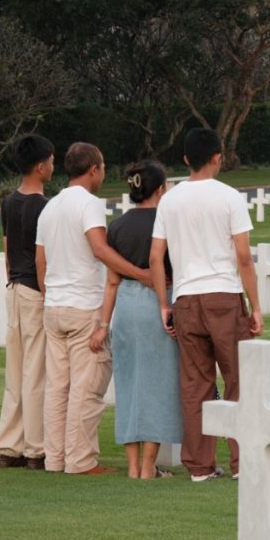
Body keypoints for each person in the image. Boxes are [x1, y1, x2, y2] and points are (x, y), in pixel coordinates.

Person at [150, 128, 263, 483]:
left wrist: (163, 304)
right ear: (219, 156)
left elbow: (156, 256)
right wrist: (255, 305)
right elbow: (243, 256)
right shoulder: (229, 196)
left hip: (185, 298)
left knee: (195, 383)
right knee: (238, 379)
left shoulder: (169, 199)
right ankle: (244, 461)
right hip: (223, 297)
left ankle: (199, 466)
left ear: (185, 159)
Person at [35, 142, 152, 475]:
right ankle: (81, 460)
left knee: (58, 388)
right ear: (93, 170)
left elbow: (40, 261)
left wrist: (51, 295)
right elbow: (100, 250)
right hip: (84, 304)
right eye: (102, 167)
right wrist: (141, 273)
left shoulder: (50, 207)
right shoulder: (89, 204)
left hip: (55, 306)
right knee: (87, 388)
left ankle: (55, 458)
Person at [91, 160, 183, 480]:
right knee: (159, 383)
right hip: (160, 300)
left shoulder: (116, 226)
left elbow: (112, 282)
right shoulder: (167, 221)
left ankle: (132, 466)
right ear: (160, 189)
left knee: (128, 383)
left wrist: (104, 324)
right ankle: (148, 468)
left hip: (125, 308)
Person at [0, 135, 55, 470]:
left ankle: (9, 446)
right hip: (35, 290)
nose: (53, 166)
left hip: (14, 288)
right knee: (36, 371)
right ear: (40, 166)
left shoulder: (8, 202)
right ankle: (35, 448)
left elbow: (7, 250)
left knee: (15, 370)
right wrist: (47, 295)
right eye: (51, 161)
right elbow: (42, 258)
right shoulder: (43, 207)